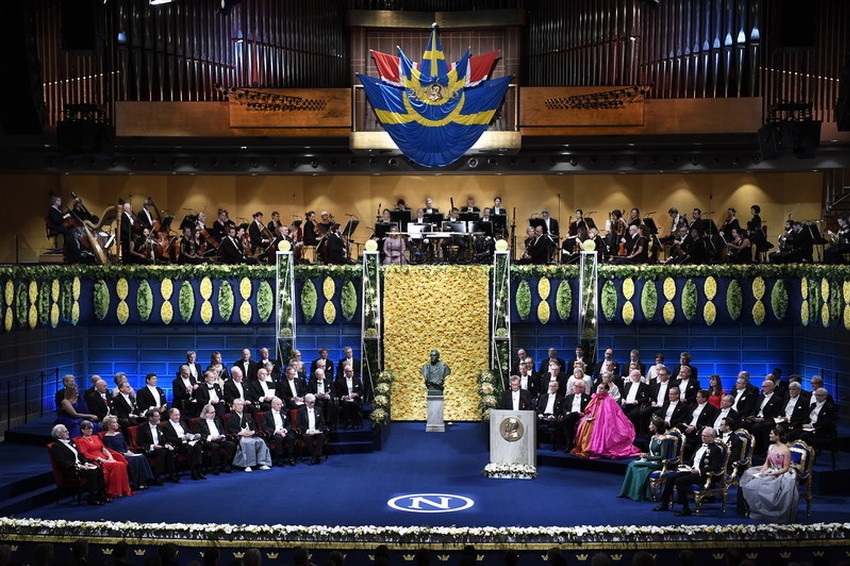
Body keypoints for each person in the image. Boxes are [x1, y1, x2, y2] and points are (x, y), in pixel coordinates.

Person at [653, 427, 724, 516]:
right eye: (702, 435)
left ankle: (685, 508)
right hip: (692, 470)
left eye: (705, 436)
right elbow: (694, 460)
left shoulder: (716, 449)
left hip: (703, 474)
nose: (703, 438)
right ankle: (664, 503)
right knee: (670, 478)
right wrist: (686, 467)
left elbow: (715, 466)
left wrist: (698, 470)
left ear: (712, 437)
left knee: (680, 481)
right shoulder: (699, 445)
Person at [738, 426, 799, 523]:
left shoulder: (786, 451)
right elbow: (767, 463)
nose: (769, 435)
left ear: (777, 436)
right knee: (751, 478)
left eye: (772, 434)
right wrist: (760, 473)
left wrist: (773, 474)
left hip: (780, 474)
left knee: (763, 487)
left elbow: (786, 468)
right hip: (770, 470)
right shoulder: (771, 447)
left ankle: (769, 512)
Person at [570, 384, 640, 459]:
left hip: (605, 419)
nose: (599, 389)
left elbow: (611, 413)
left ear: (606, 390)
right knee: (583, 423)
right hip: (593, 417)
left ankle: (595, 448)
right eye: (598, 387)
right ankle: (585, 448)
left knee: (598, 425)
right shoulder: (595, 398)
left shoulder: (609, 400)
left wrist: (599, 418)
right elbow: (589, 409)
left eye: (601, 388)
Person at [49, 424, 108, 505]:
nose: (68, 432)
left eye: (67, 430)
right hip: (70, 470)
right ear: (58, 435)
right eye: (65, 431)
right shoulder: (56, 446)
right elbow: (62, 461)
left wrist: (87, 463)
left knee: (98, 469)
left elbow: (81, 455)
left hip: (80, 466)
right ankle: (92, 497)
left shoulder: (71, 442)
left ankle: (101, 494)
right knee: (93, 472)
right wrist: (80, 466)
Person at [75, 420, 134, 498]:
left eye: (91, 429)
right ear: (82, 430)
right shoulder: (80, 441)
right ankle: (114, 491)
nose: (90, 430)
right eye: (87, 429)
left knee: (121, 464)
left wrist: (110, 457)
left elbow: (104, 449)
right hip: (96, 460)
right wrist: (99, 459)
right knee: (118, 465)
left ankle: (122, 490)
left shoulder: (95, 437)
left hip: (104, 457)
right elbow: (85, 454)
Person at [618, 417, 669, 501]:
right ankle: (628, 492)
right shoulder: (653, 437)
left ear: (656, 426)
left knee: (634, 465)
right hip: (650, 460)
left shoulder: (664, 440)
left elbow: (662, 457)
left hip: (657, 463)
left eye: (651, 424)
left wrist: (647, 457)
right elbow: (652, 451)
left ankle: (638, 494)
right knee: (632, 465)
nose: (649, 426)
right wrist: (646, 454)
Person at [101, 416, 154, 490]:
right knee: (137, 459)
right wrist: (123, 454)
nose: (117, 424)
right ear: (109, 425)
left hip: (127, 453)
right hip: (119, 456)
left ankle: (146, 480)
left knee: (142, 456)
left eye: (116, 422)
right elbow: (110, 451)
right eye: (114, 422)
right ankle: (138, 483)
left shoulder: (119, 434)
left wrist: (128, 451)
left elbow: (125, 445)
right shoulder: (107, 438)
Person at [227, 399, 272, 472]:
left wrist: (252, 432)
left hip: (250, 435)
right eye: (238, 405)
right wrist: (241, 433)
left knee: (260, 441)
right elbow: (231, 429)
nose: (240, 407)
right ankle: (247, 464)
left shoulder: (247, 416)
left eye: (242, 405)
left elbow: (254, 427)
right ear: (234, 406)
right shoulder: (231, 418)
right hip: (240, 436)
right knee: (248, 443)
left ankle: (262, 463)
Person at [196, 403, 236, 474]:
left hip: (219, 439)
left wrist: (223, 436)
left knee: (231, 444)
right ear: (206, 414)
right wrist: (210, 437)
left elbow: (222, 430)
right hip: (208, 441)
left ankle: (225, 464)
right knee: (215, 446)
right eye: (211, 413)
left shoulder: (217, 419)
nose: (214, 414)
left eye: (214, 412)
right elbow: (199, 433)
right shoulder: (200, 422)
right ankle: (215, 467)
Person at [263, 397, 297, 467]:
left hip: (283, 431)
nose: (280, 406)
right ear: (272, 405)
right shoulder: (267, 415)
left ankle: (291, 458)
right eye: (278, 404)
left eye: (281, 404)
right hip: (274, 433)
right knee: (279, 439)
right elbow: (264, 426)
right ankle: (279, 459)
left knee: (291, 438)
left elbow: (289, 424)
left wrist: (285, 430)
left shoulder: (284, 413)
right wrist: (276, 431)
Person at [298, 393, 328, 465]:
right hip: (307, 432)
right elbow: (299, 424)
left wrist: (318, 430)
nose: (312, 404)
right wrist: (307, 431)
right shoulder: (301, 411)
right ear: (306, 402)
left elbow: (322, 422)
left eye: (313, 402)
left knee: (322, 436)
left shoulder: (318, 409)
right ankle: (315, 456)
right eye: (310, 403)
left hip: (316, 431)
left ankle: (315, 456)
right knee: (306, 437)